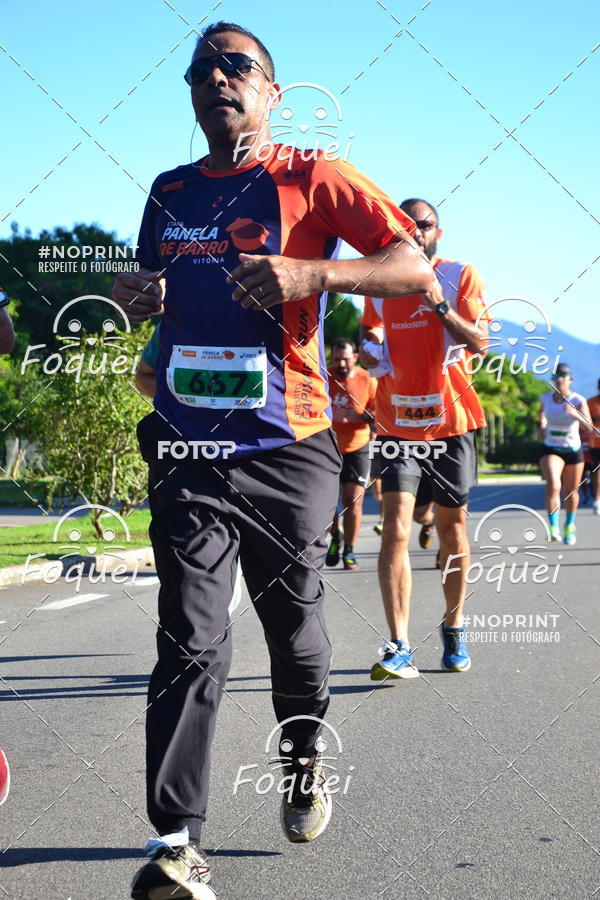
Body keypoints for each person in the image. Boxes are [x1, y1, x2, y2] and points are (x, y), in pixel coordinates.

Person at [112, 21, 433, 899]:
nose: (219, 77)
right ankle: (177, 843)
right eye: (202, 68)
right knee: (189, 634)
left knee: (294, 632)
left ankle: (301, 762)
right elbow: (155, 299)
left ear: (272, 92)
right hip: (185, 443)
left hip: (289, 448)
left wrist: (312, 275)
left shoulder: (313, 176)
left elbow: (415, 270)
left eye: (239, 66)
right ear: (189, 92)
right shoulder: (170, 190)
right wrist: (137, 296)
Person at [360, 197, 489, 680]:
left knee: (453, 530)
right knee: (395, 527)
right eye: (405, 226)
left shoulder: (460, 275)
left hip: (452, 423)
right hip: (396, 422)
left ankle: (454, 625)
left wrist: (439, 308)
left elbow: (480, 341)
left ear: (439, 231)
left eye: (425, 225)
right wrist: (373, 355)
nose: (416, 232)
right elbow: (370, 336)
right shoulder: (377, 282)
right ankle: (398, 644)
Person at [325, 338, 376, 570]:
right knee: (326, 502)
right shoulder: (324, 375)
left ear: (355, 357)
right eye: (336, 360)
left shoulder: (368, 379)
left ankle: (350, 550)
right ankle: (335, 536)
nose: (341, 364)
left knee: (352, 501)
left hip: (358, 446)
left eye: (345, 359)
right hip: (327, 446)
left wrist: (362, 417)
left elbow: (379, 411)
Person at [538, 363, 592, 544]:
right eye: (556, 375)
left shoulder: (578, 400)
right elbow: (542, 416)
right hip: (551, 448)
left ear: (570, 379)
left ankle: (569, 525)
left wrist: (576, 415)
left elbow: (590, 427)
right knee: (553, 484)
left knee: (570, 491)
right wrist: (542, 426)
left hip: (573, 450)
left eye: (563, 375)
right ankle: (553, 527)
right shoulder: (545, 398)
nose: (559, 379)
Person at [586, 379, 600, 515]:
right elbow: (586, 422)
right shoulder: (590, 402)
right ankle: (597, 499)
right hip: (595, 444)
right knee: (597, 472)